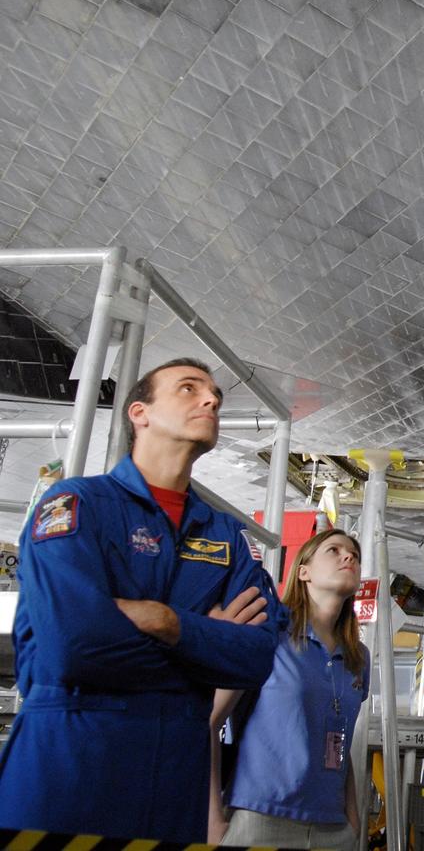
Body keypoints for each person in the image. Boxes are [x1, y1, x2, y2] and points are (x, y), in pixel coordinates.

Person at [0, 358, 286, 843]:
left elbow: (255, 659)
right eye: (189, 389)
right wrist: (205, 640)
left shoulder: (226, 537)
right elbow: (74, 647)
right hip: (70, 765)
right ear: (140, 413)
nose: (212, 400)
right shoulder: (75, 506)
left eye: (215, 394)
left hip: (173, 780)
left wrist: (166, 621)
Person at [208, 529, 370, 848]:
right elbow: (210, 721)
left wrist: (352, 818)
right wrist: (214, 819)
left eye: (354, 554)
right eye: (334, 550)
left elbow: (338, 740)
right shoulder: (270, 634)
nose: (348, 556)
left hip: (332, 828)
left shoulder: (358, 657)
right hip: (261, 817)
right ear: (303, 571)